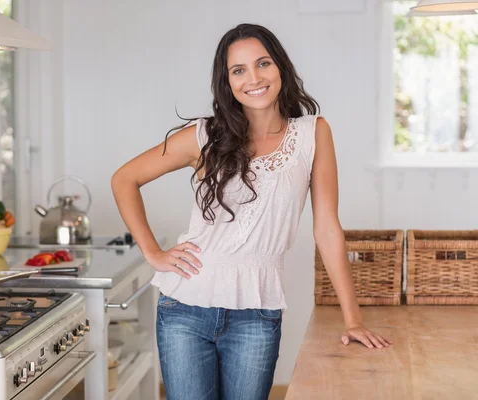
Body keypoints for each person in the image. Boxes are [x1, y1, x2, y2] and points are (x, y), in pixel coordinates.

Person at [111, 23, 391, 400]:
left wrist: (353, 319)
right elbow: (124, 179)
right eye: (238, 70)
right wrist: (153, 253)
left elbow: (326, 229)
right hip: (184, 310)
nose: (253, 78)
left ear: (280, 68)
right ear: (227, 83)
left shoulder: (312, 133)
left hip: (257, 313)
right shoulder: (204, 136)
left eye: (263, 64)